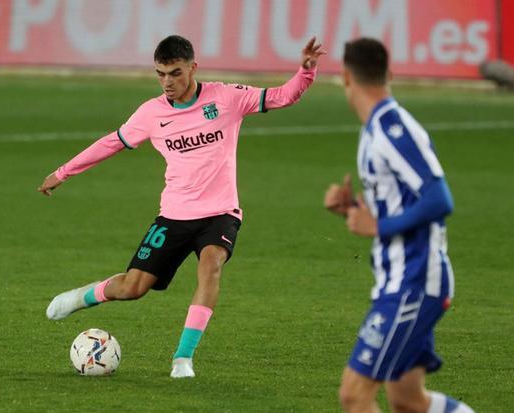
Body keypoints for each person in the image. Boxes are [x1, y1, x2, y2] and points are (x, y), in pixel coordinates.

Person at [38, 35, 325, 378]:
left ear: (193, 67)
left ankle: (182, 359)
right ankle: (81, 297)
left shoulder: (226, 97)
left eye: (174, 73)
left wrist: (305, 71)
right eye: (160, 74)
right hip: (174, 215)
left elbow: (282, 96)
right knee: (133, 288)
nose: (167, 82)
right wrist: (63, 172)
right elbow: (112, 142)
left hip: (220, 213)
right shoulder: (151, 113)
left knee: (211, 267)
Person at [324, 38, 475, 413]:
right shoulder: (375, 129)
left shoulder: (393, 129)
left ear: (344, 76)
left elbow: (440, 200)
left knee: (354, 395)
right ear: (389, 73)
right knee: (408, 400)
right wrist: (354, 209)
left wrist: (377, 227)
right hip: (401, 279)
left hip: (414, 281)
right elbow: (402, 203)